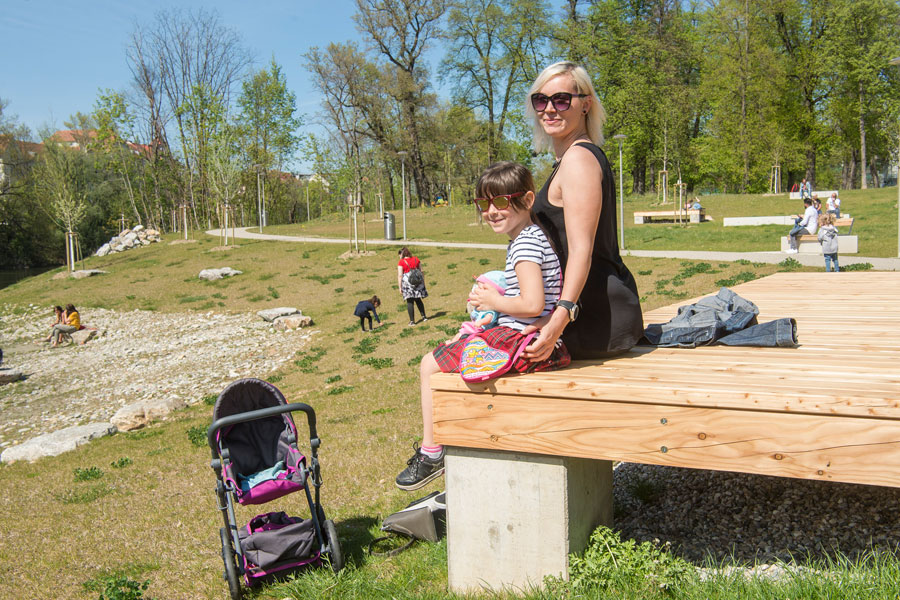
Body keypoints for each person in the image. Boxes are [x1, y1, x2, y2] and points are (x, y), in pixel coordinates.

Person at [394, 162, 571, 491]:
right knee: (455, 345)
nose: (491, 211)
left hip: (517, 341)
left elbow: (532, 304)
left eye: (501, 202)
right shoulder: (533, 236)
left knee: (429, 365)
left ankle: (431, 452)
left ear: (528, 199)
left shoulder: (524, 245)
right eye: (484, 203)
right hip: (525, 333)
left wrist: (492, 301)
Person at [522, 61, 643, 362]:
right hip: (585, 313)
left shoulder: (578, 159)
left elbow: (580, 250)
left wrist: (560, 318)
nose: (549, 109)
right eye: (541, 99)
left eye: (561, 99)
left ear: (586, 104)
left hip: (593, 318)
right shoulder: (572, 159)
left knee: (436, 366)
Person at [397, 247, 428, 326]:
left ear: (403, 254)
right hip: (418, 282)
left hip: (408, 284)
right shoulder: (416, 259)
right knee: (418, 299)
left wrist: (400, 287)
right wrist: (423, 282)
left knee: (410, 301)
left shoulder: (401, 262)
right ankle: (424, 317)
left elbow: (400, 275)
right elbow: (421, 271)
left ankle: (412, 321)